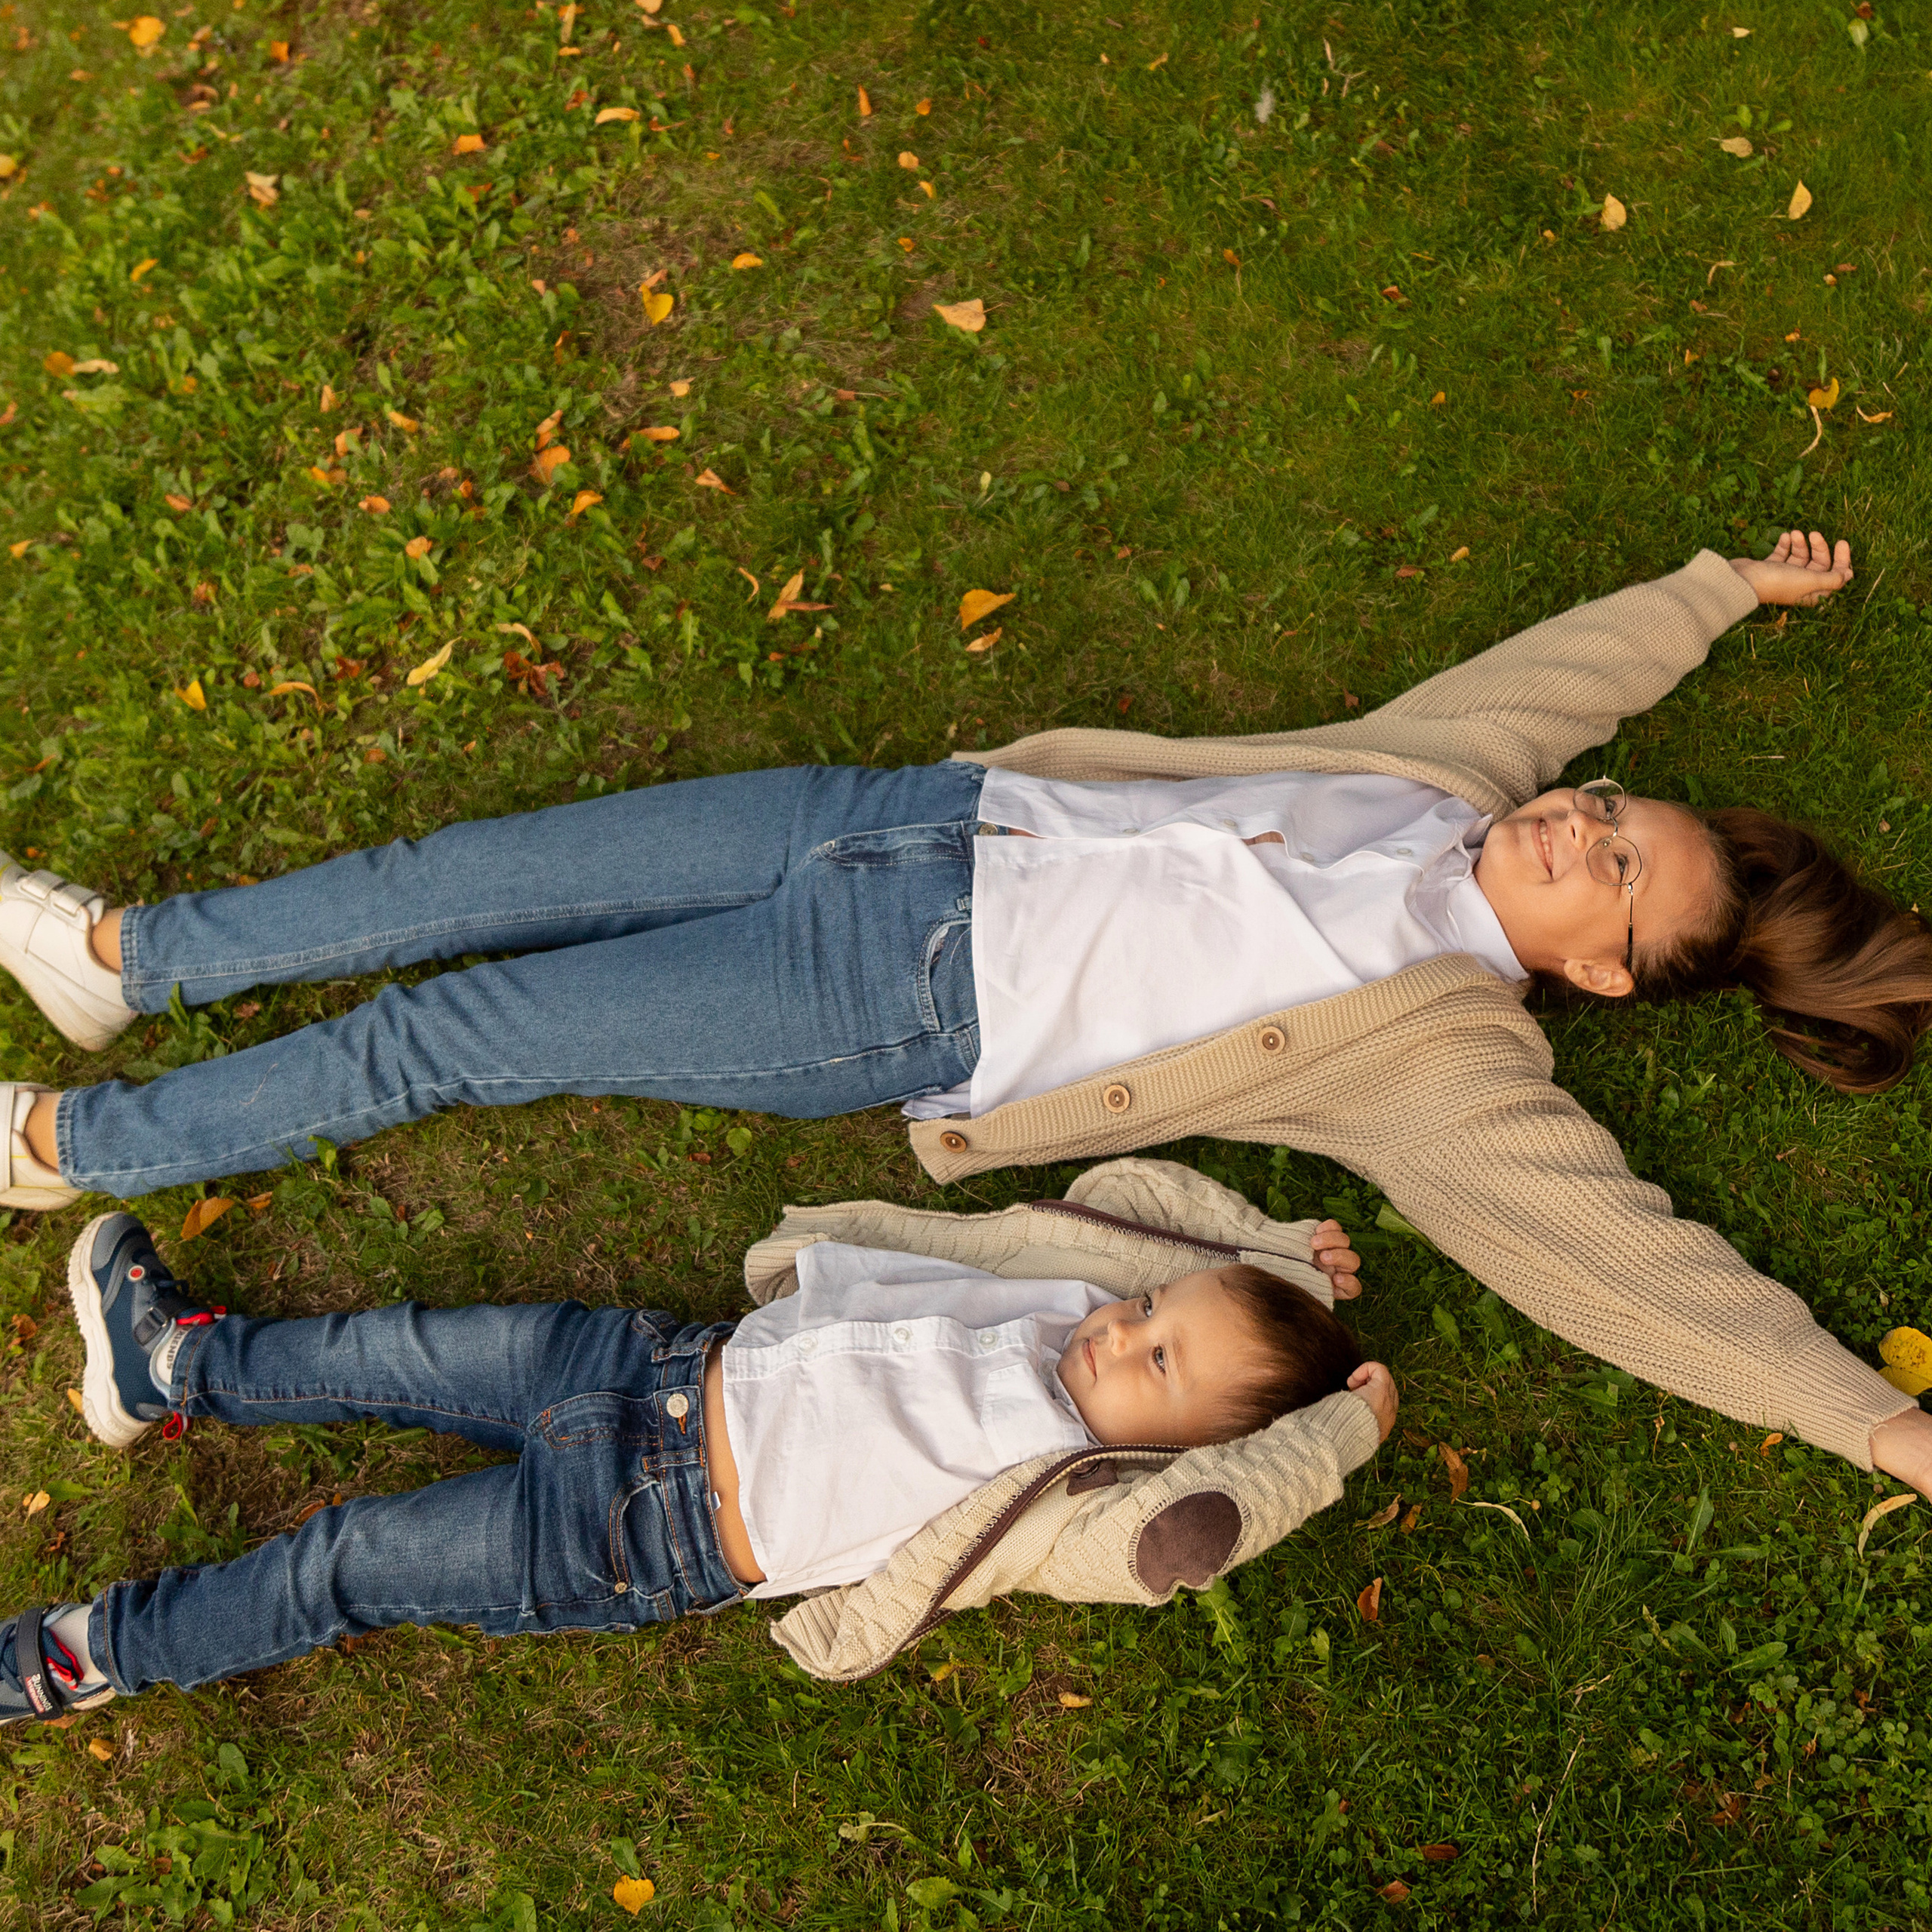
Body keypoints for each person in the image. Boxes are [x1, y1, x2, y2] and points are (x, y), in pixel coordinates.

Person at [2, 532, 1928, 1497]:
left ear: (1593, 968)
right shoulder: (1449, 779)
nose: (1571, 820)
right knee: (465, 872)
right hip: (900, 814)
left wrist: (1874, 1426)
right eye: (1604, 808)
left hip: (882, 995)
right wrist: (1716, 587)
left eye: (1604, 866)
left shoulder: (1452, 1065)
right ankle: (128, 963)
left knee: (454, 1032)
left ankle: (66, 1149)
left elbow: (1626, 1264)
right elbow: (1559, 673)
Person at [2, 1199, 1389, 1722]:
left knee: (347, 1560)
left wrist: (1336, 1432)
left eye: (1159, 1365)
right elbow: (1138, 1217)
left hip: (634, 1534)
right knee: (402, 1351)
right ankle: (181, 1367)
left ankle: (88, 1653)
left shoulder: (1079, 1502)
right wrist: (1263, 1260)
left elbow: (1204, 1527)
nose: (1122, 1332)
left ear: (1192, 1440)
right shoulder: (1054, 1304)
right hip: (641, 1369)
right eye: (1146, 1314)